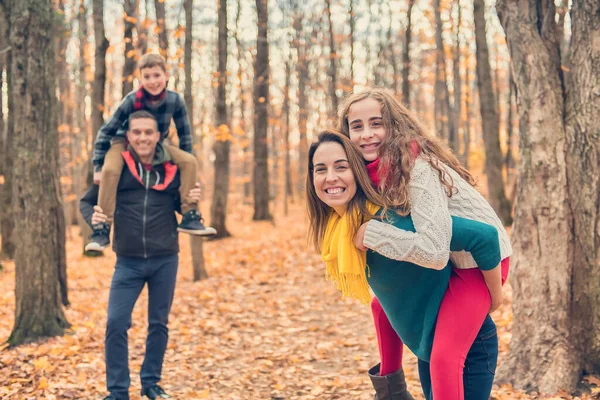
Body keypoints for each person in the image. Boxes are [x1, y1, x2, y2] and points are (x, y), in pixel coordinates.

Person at [338, 88, 512, 400]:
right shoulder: (367, 172)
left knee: (444, 358)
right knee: (383, 304)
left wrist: (495, 295)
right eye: (357, 126)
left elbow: (435, 249)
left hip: (480, 261)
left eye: (376, 123)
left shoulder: (414, 167)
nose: (367, 134)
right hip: (451, 255)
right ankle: (391, 391)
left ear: (394, 127)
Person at [80, 111, 201, 400]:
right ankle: (118, 391)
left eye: (149, 132)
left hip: (165, 258)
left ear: (158, 135)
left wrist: (192, 200)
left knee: (158, 324)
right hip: (128, 262)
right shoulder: (117, 170)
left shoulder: (172, 168)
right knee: (116, 323)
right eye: (137, 132)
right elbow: (86, 202)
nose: (143, 137)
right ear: (129, 136)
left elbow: (180, 205)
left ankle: (151, 384)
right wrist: (95, 219)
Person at [86, 53, 215, 252]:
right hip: (124, 140)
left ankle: (190, 216)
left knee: (189, 161)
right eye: (147, 77)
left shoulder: (175, 101)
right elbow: (106, 131)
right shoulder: (131, 100)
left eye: (156, 75)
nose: (152, 81)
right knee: (110, 170)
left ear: (166, 75)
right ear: (140, 78)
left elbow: (185, 136)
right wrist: (97, 166)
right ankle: (102, 228)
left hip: (156, 143)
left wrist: (185, 177)